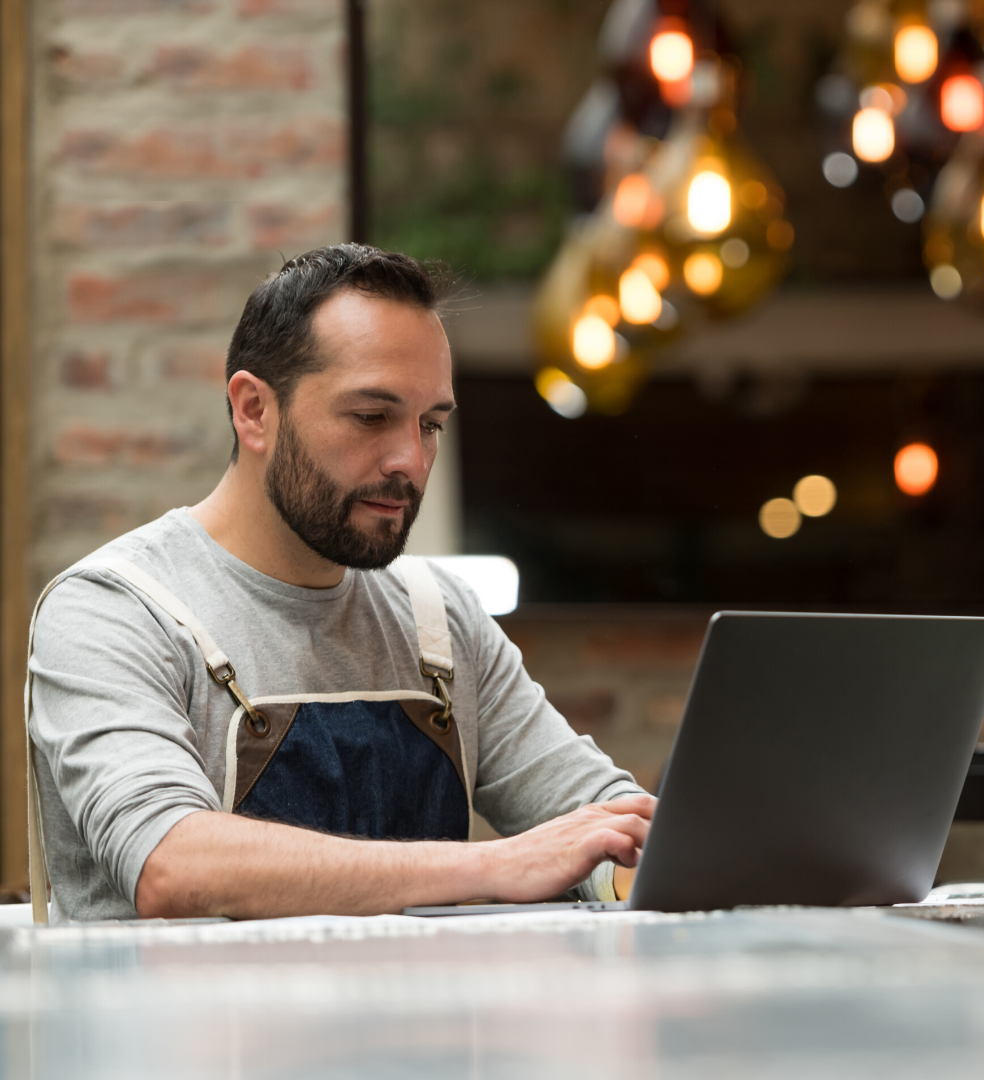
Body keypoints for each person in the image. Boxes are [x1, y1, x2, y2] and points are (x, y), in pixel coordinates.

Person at [26, 244, 655, 922]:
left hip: (416, 1028)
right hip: (184, 1029)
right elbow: (172, 863)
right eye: (370, 417)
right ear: (253, 411)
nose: (410, 460)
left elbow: (603, 826)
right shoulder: (112, 610)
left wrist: (642, 854)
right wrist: (498, 864)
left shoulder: (439, 619)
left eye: (431, 425)